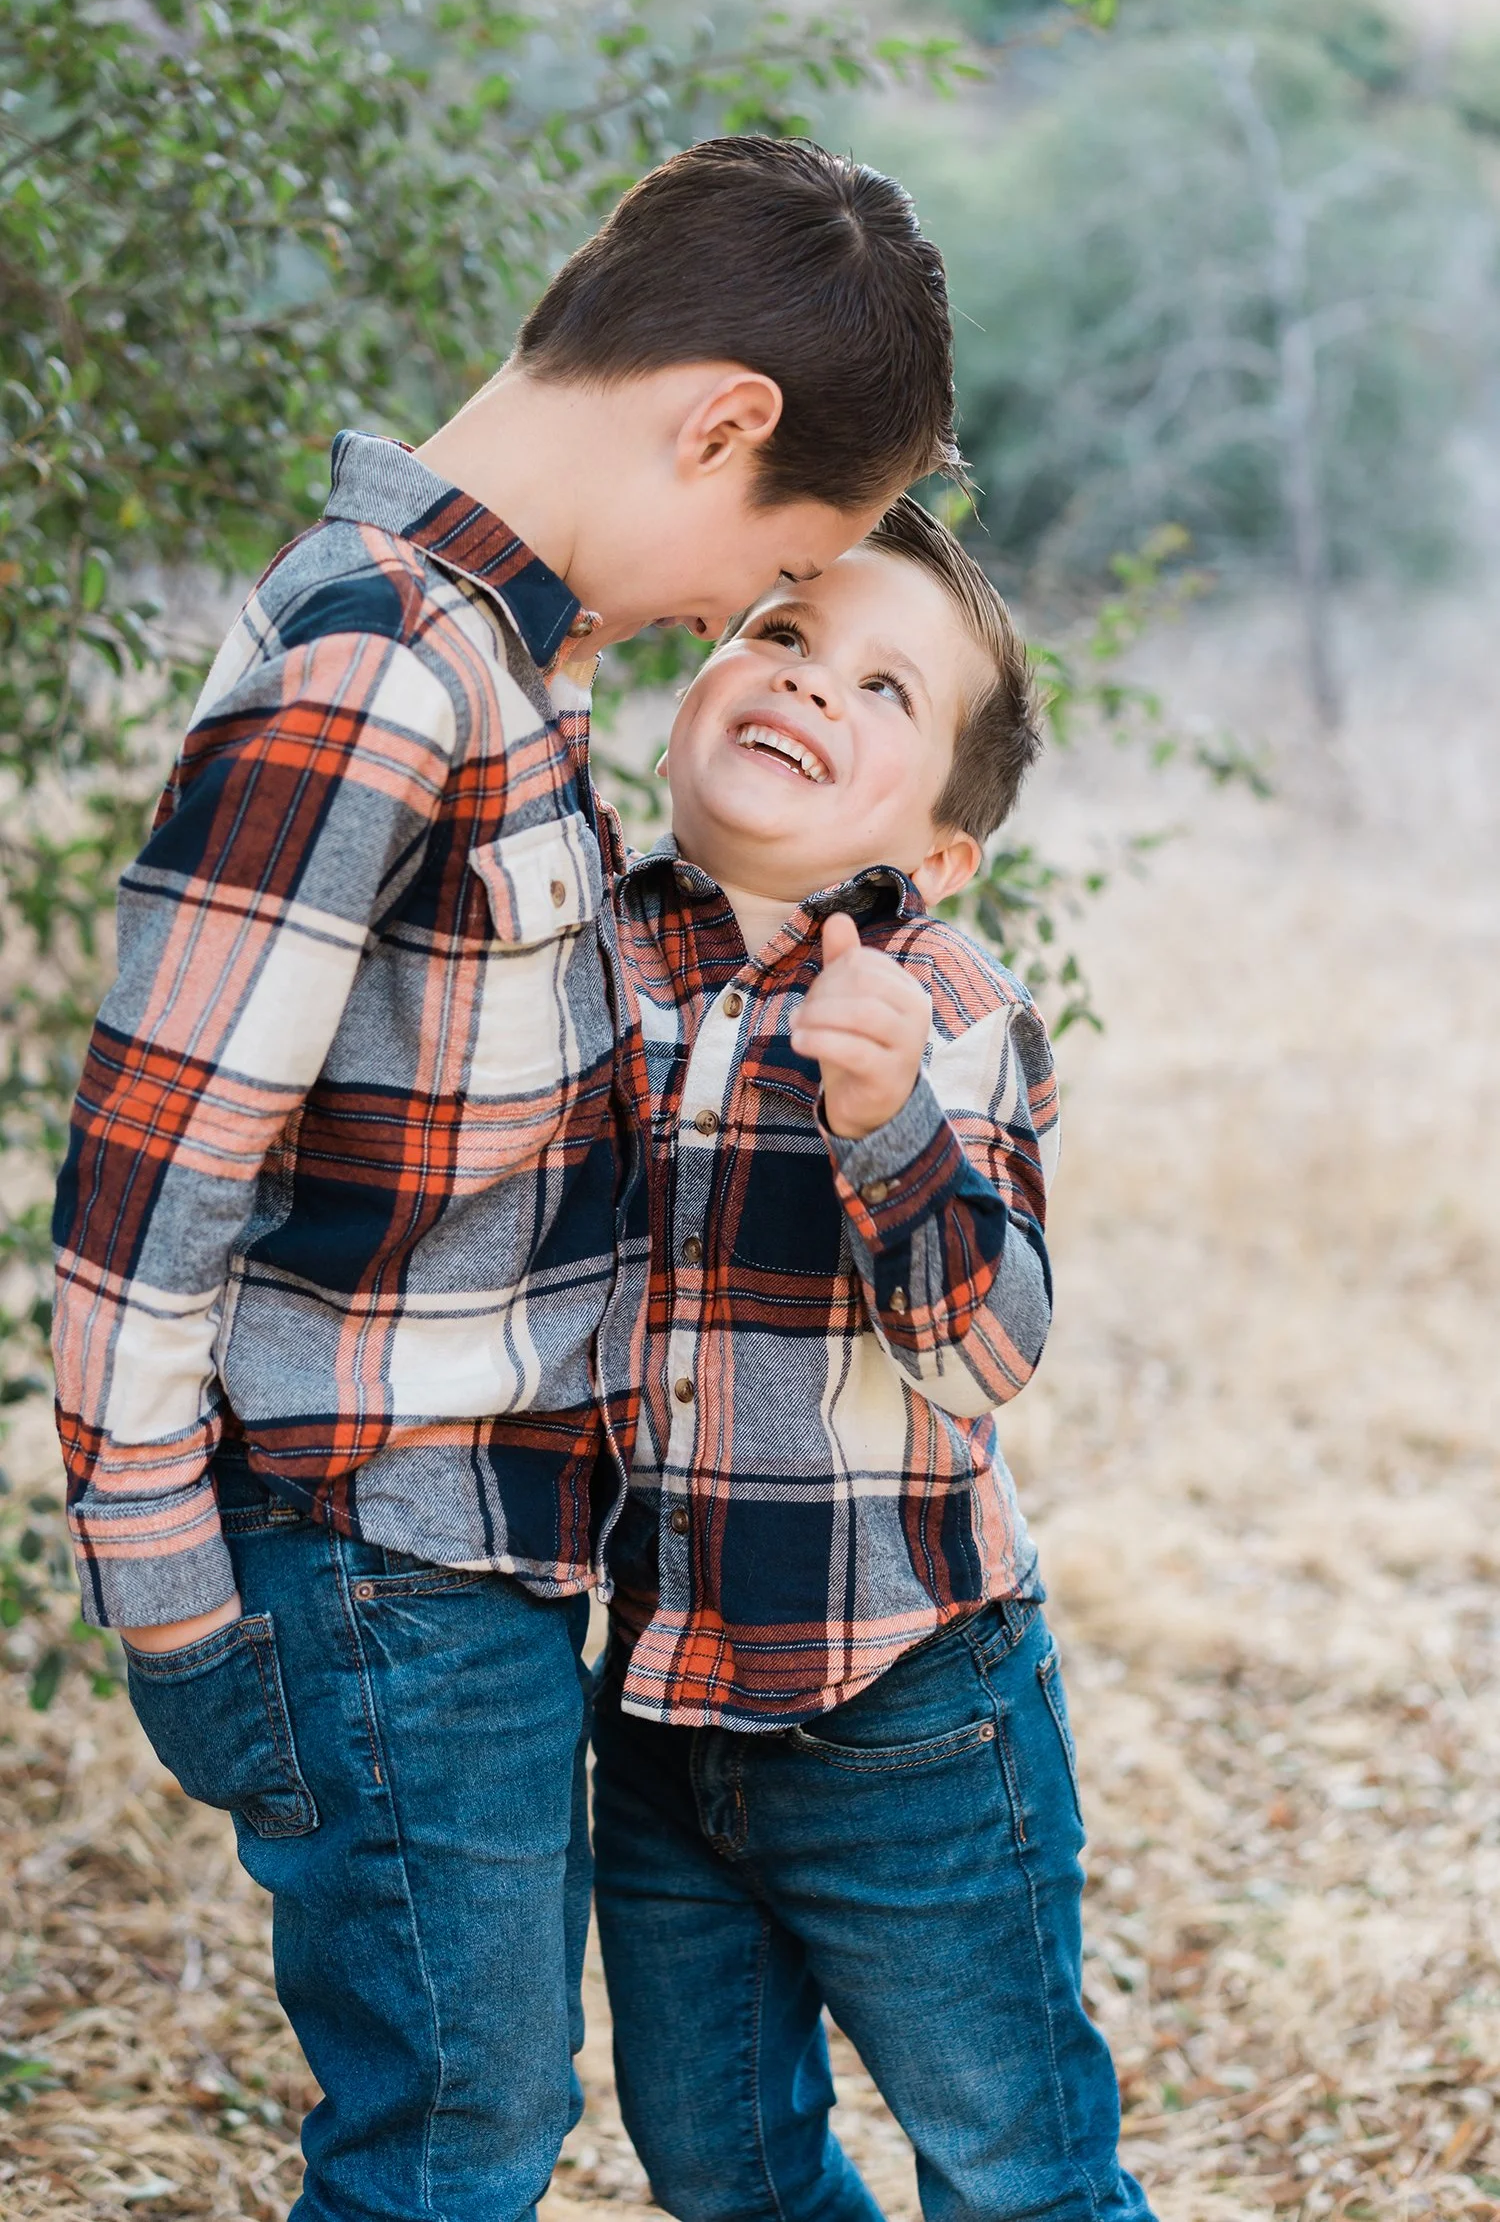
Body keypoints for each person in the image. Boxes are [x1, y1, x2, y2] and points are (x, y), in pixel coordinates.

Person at [50, 139, 958, 2222]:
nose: (721, 630)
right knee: (453, 2133)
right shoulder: (384, 677)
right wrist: (172, 1600)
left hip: (465, 1550)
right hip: (373, 1553)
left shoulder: (494, 667)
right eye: (757, 575)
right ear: (721, 421)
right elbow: (150, 1173)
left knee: (472, 2110)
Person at [594, 495, 1155, 2222]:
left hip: (904, 1701)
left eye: (885, 688)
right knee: (720, 2163)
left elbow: (987, 1354)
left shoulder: (950, 1012)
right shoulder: (595, 961)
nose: (814, 685)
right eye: (782, 634)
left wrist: (882, 1114)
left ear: (943, 844)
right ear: (699, 672)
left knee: (1013, 2163)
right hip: (650, 1703)